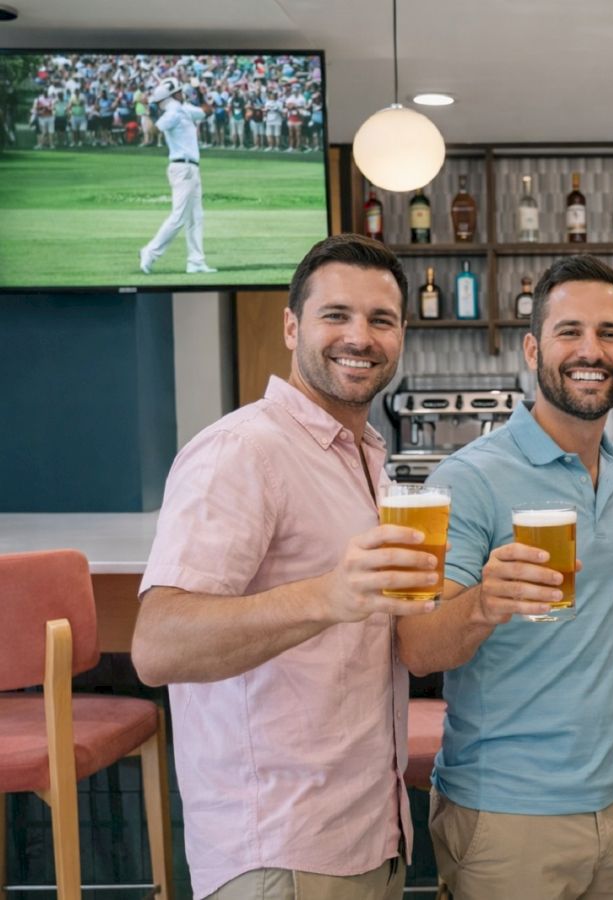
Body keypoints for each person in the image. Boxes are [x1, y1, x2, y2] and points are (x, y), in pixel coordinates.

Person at [395, 254, 613, 900]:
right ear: (534, 348)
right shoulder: (469, 478)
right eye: (569, 332)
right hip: (504, 816)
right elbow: (419, 646)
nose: (590, 350)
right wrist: (486, 602)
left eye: (609, 333)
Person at [132, 234, 430, 900]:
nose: (361, 336)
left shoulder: (364, 454)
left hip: (368, 833)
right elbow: (158, 645)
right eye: (336, 315)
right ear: (292, 326)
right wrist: (327, 595)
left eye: (381, 320)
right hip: (279, 852)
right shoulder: (243, 450)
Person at [138, 77, 217, 275]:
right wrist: (147, 112)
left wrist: (199, 91)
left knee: (195, 217)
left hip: (190, 168)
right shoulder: (174, 111)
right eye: (180, 91)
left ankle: (196, 261)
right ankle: (150, 252)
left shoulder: (181, 108)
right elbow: (154, 129)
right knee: (179, 217)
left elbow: (207, 111)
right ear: (173, 95)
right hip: (183, 168)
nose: (184, 93)